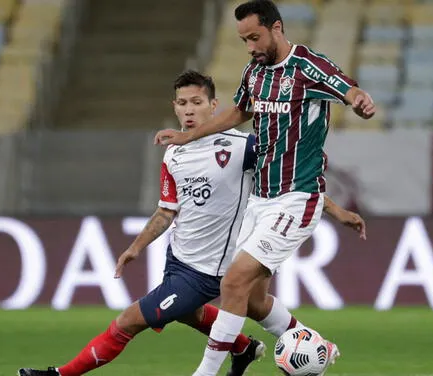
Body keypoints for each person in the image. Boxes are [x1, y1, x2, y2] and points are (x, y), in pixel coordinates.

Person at [19, 69, 366, 376]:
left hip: (208, 271)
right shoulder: (174, 153)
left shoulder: (243, 147)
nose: (188, 109)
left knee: (128, 322)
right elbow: (167, 211)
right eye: (182, 103)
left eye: (197, 102)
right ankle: (251, 347)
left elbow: (288, 183)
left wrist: (337, 213)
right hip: (179, 259)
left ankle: (59, 374)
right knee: (246, 306)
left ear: (214, 106)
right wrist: (134, 248)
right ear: (174, 107)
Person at [153, 2, 375, 376]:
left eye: (254, 37)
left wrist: (358, 100)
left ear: (277, 28)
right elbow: (238, 112)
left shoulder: (307, 66)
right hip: (261, 200)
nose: (250, 47)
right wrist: (189, 136)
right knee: (254, 300)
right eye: (244, 40)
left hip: (296, 198)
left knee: (234, 279)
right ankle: (313, 344)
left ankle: (205, 373)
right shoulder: (254, 71)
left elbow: (346, 88)